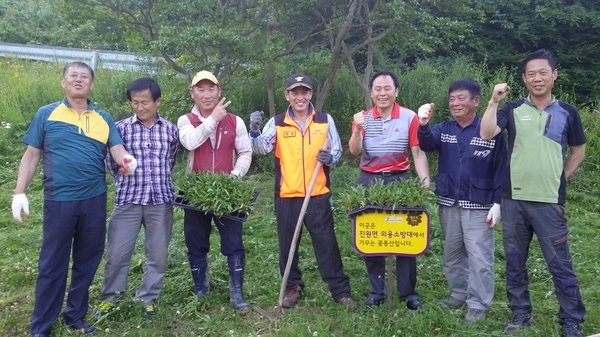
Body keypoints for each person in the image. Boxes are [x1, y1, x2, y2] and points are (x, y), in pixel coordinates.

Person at [11, 61, 136, 337]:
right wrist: (19, 191)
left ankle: (75, 315)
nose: (78, 80)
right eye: (73, 76)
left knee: (88, 258)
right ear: (63, 82)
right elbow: (31, 155)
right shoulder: (47, 114)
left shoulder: (103, 117)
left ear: (92, 85)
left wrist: (127, 160)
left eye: (84, 77)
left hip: (94, 198)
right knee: (53, 262)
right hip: (60, 199)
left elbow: (116, 149)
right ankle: (42, 324)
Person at [480, 49, 586, 337]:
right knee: (515, 262)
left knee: (560, 264)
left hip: (550, 203)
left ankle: (571, 320)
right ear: (524, 79)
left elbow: (578, 151)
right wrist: (492, 101)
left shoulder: (568, 112)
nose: (537, 78)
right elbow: (487, 133)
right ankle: (520, 313)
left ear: (554, 75)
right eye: (531, 74)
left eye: (543, 72)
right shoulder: (512, 109)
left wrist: (558, 178)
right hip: (513, 200)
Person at [249, 73, 355, 308]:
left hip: (317, 194)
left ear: (310, 94)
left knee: (327, 243)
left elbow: (336, 151)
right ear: (287, 95)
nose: (300, 97)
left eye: (304, 92)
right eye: (294, 92)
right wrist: (254, 130)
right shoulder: (277, 122)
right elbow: (262, 149)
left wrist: (330, 158)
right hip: (288, 195)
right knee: (288, 244)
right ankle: (292, 287)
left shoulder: (325, 120)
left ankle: (340, 290)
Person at [417, 78, 507, 323]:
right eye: (452, 99)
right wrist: (423, 123)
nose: (455, 103)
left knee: (480, 257)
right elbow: (427, 144)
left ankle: (478, 304)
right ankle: (459, 294)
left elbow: (502, 167)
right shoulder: (445, 128)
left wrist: (498, 202)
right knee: (452, 255)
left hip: (479, 204)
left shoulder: (491, 129)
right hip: (448, 202)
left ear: (476, 101)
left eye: (461, 98)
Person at [96, 78, 179, 318]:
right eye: (135, 102)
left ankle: (149, 297)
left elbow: (170, 160)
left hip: (160, 201)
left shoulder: (170, 130)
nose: (140, 107)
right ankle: (110, 297)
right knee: (117, 254)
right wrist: (122, 181)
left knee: (158, 254)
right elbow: (111, 161)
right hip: (129, 201)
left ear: (157, 101)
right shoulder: (121, 128)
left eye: (145, 102)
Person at [348, 70, 430, 310]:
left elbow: (417, 152)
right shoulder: (362, 117)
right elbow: (354, 151)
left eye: (387, 88)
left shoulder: (409, 117)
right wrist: (356, 129)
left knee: (405, 236)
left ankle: (408, 293)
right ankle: (377, 292)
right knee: (371, 235)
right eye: (377, 89)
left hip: (400, 181)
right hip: (369, 180)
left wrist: (424, 181)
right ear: (371, 92)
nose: (382, 93)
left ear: (396, 91)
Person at [177, 70, 253, 314]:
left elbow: (245, 152)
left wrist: (234, 177)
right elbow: (190, 143)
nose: (207, 94)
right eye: (201, 89)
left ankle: (237, 292)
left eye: (211, 89)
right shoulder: (185, 120)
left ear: (219, 91)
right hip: (195, 192)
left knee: (234, 242)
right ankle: (201, 289)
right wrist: (212, 120)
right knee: (196, 241)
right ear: (193, 93)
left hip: (228, 193)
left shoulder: (235, 121)